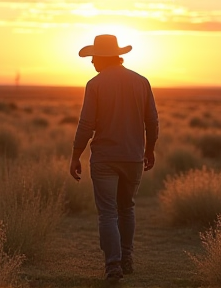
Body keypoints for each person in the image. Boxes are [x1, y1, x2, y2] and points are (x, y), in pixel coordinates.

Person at [70, 34, 159, 283]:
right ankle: (127, 258)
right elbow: (152, 121)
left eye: (93, 58)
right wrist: (149, 149)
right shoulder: (141, 82)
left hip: (105, 159)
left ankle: (113, 265)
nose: (92, 64)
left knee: (108, 213)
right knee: (127, 208)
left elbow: (86, 124)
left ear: (101, 58)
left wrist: (76, 155)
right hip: (133, 157)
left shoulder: (95, 84)